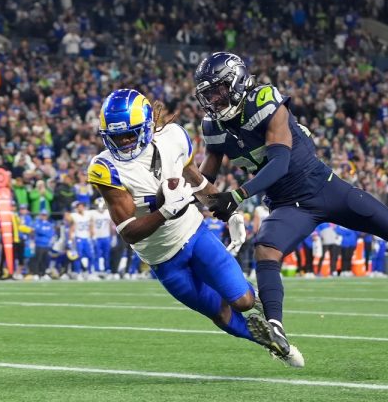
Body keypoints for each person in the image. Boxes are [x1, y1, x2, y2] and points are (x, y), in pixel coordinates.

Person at [194, 52, 388, 359]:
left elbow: (280, 161)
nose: (214, 99)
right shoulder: (213, 127)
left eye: (218, 89)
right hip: (287, 204)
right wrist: (189, 199)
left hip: (324, 188)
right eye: (209, 93)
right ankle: (274, 328)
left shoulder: (265, 100)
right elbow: (206, 177)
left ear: (239, 81)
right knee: (266, 248)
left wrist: (238, 195)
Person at [87, 89, 301, 366]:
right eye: (116, 137)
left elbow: (196, 181)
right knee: (220, 314)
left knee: (243, 302)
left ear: (148, 125)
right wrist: (165, 212)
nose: (124, 142)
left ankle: (254, 301)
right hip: (163, 260)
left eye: (130, 134)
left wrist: (226, 207)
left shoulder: (172, 138)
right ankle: (271, 343)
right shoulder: (105, 168)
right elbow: (128, 230)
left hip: (194, 234)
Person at [67, 201, 94, 280]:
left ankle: (89, 273)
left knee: (90, 256)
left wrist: (92, 234)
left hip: (86, 238)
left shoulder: (87, 215)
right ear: (76, 208)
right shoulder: (74, 215)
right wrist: (70, 240)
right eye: (79, 207)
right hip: (78, 238)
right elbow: (70, 226)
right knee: (78, 256)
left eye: (82, 206)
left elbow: (91, 223)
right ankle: (77, 273)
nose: (80, 208)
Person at [88, 198, 113, 275]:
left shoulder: (108, 212)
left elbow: (110, 225)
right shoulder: (92, 213)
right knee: (97, 254)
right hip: (97, 237)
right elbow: (91, 225)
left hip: (106, 236)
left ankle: (107, 269)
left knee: (107, 254)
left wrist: (112, 236)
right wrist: (92, 236)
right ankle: (97, 269)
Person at [32, 209, 55, 280]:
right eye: (42, 215)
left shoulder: (49, 224)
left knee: (45, 260)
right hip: (39, 244)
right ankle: (36, 273)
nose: (43, 216)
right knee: (37, 259)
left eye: (45, 215)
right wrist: (45, 232)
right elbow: (38, 230)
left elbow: (51, 233)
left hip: (46, 244)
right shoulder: (37, 223)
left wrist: (44, 232)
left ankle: (43, 273)